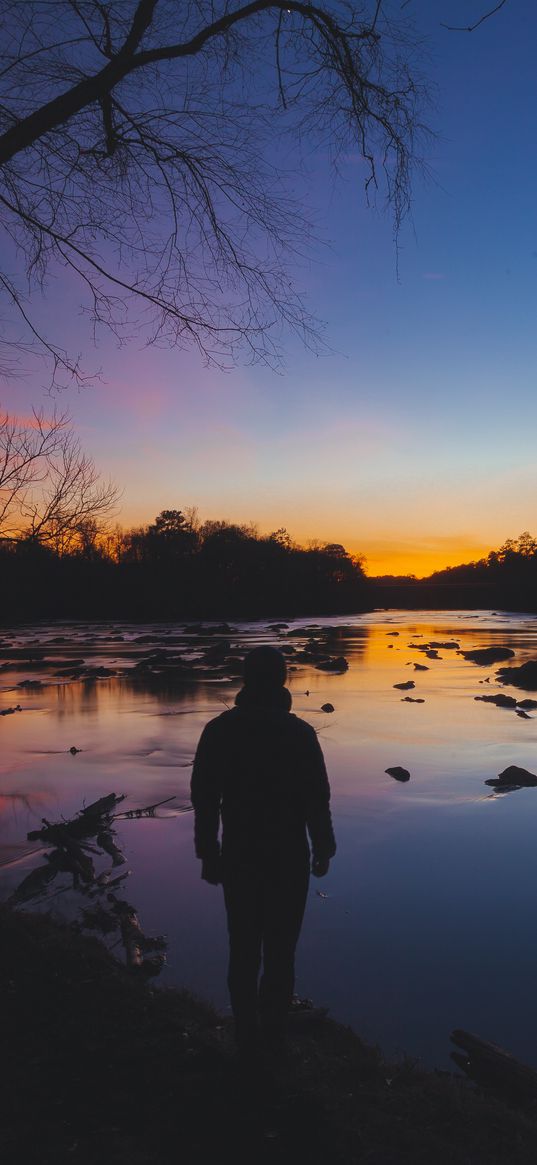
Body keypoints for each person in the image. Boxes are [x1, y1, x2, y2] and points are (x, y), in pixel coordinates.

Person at [191, 645, 336, 1058]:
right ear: (282, 681)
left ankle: (247, 1035)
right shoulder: (298, 733)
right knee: (280, 951)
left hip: (240, 855)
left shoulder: (220, 730)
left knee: (243, 948)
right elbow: (316, 798)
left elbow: (204, 797)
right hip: (288, 857)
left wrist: (208, 852)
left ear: (245, 680)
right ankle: (270, 1036)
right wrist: (323, 846)